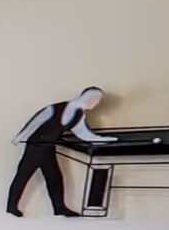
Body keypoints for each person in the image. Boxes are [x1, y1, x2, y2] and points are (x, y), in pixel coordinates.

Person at [8, 87, 117, 217]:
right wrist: (20, 137)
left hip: (49, 147)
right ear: (89, 98)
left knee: (54, 178)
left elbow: (83, 134)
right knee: (24, 175)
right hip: (36, 145)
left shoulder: (78, 114)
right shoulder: (56, 108)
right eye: (97, 100)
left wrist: (106, 140)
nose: (96, 103)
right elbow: (35, 122)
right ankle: (11, 207)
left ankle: (59, 208)